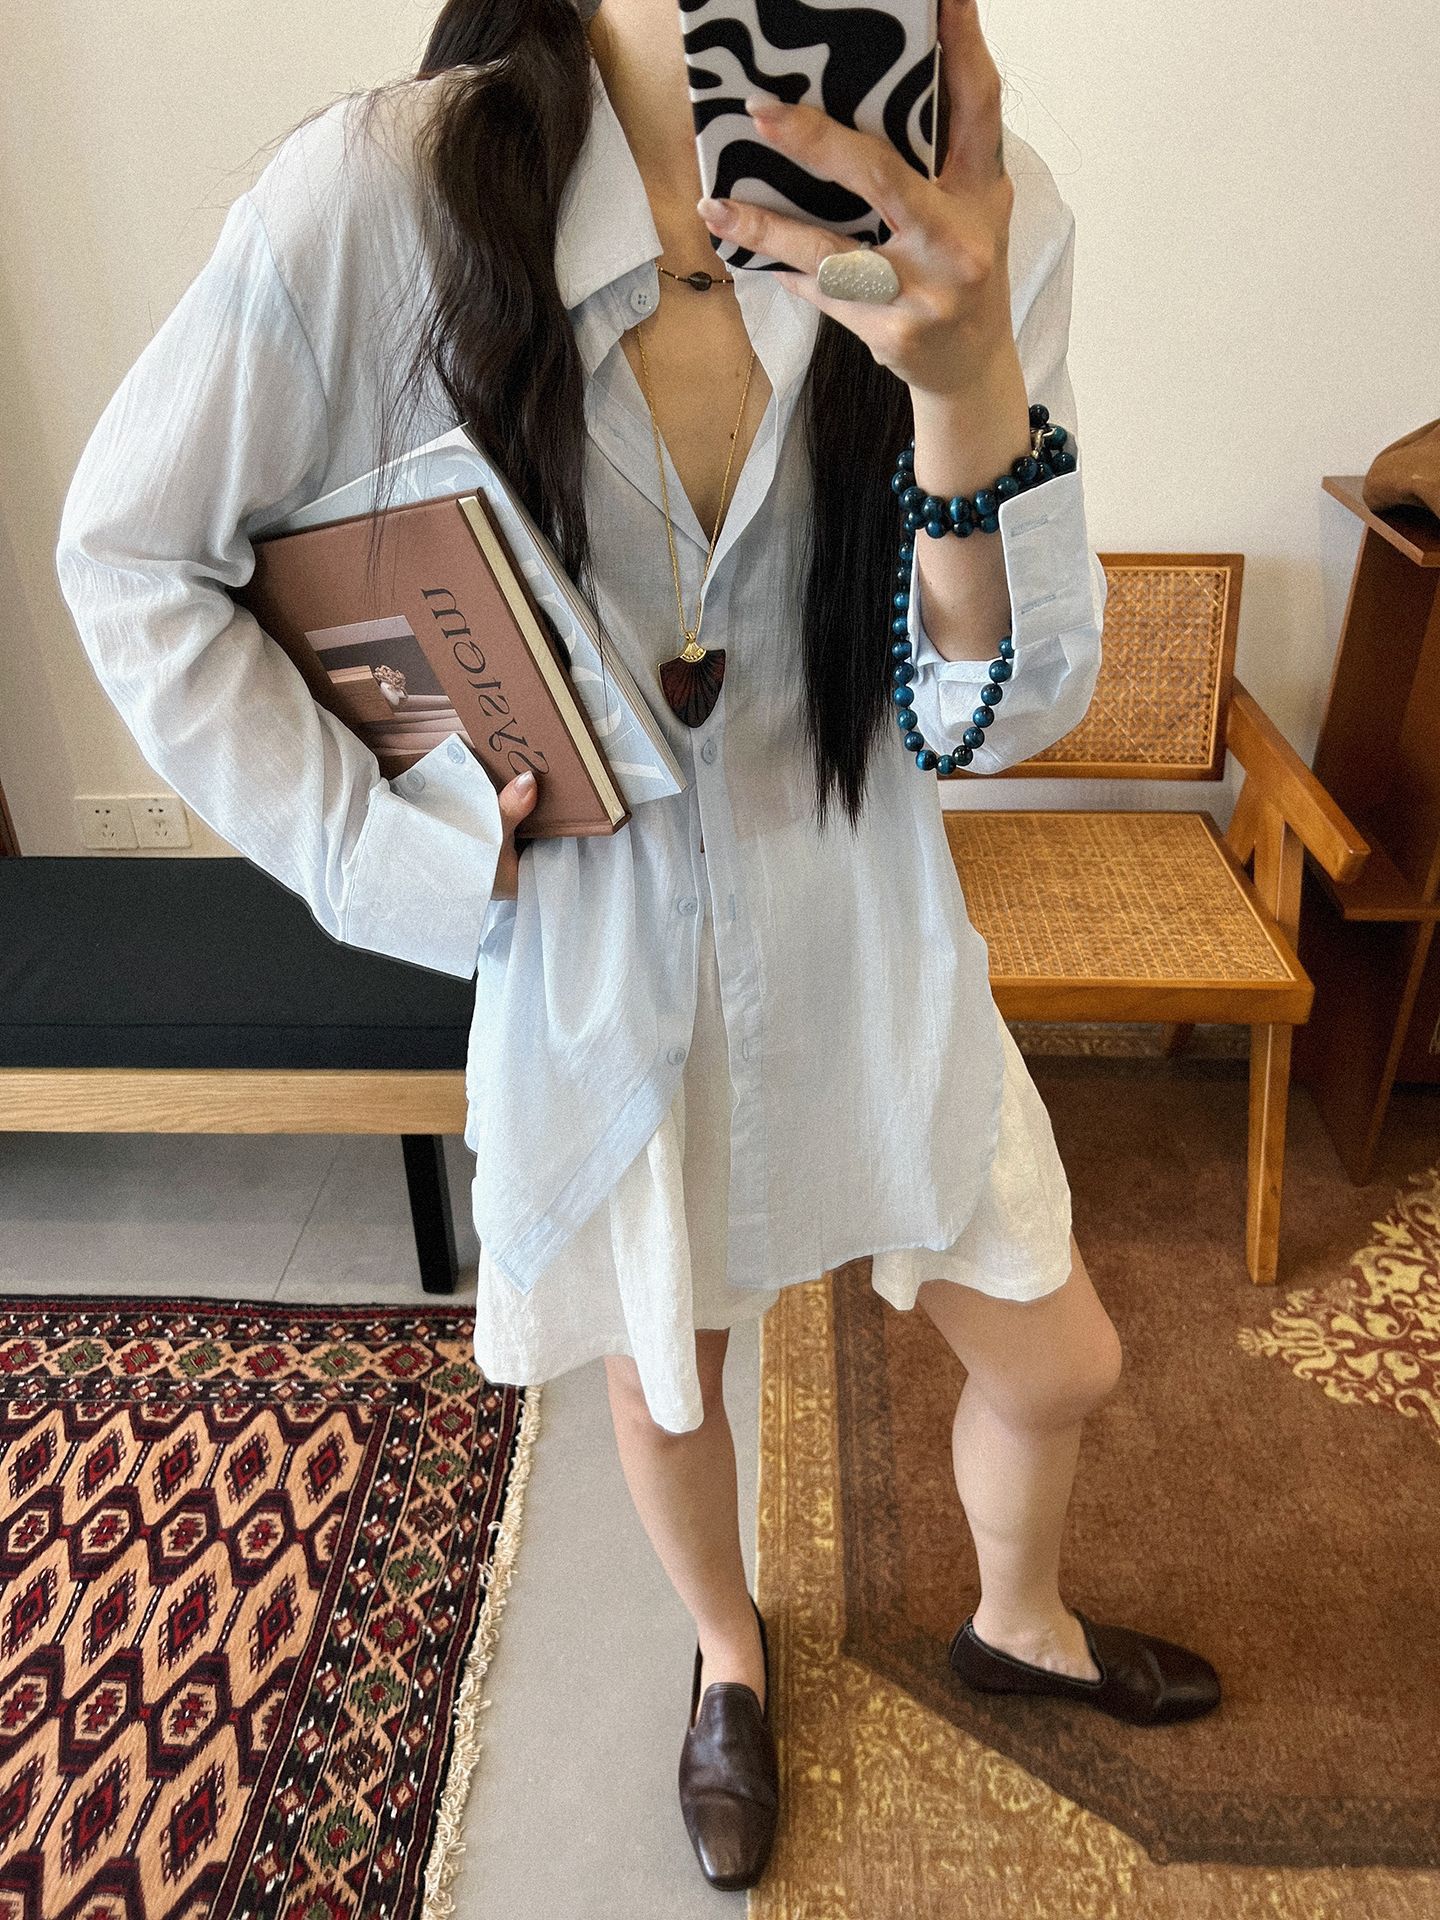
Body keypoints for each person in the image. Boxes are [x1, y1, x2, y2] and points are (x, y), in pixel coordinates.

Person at [55, 0, 1221, 1893]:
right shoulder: (387, 197)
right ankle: (727, 1657)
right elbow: (130, 556)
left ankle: (1020, 1621)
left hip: (864, 918)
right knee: (665, 1367)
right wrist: (403, 861)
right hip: (594, 944)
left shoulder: (977, 207)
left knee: (1059, 1355)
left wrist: (965, 384)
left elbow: (991, 717)